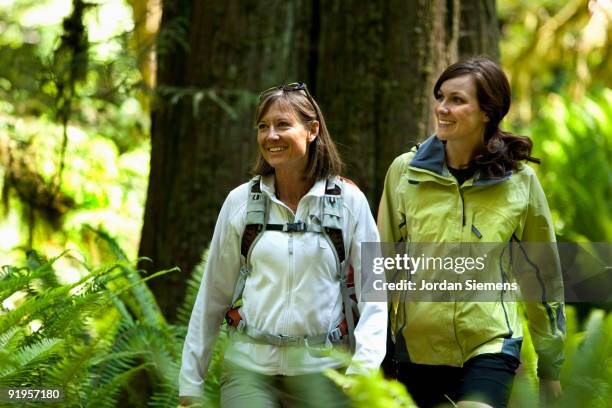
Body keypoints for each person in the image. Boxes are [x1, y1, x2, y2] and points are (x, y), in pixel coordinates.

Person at [179, 83, 387, 407]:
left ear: (312, 130)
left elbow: (375, 292)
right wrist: (191, 382)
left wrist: (364, 368)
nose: (270, 136)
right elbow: (212, 295)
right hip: (248, 373)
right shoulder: (240, 203)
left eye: (282, 125)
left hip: (325, 373)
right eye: (263, 127)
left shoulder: (349, 202)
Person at [378, 57, 565, 408]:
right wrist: (378, 352)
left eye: (457, 100)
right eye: (440, 97)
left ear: (487, 113)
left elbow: (542, 276)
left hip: (491, 344)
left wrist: (550, 366)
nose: (442, 109)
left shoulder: (520, 182)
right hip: (416, 350)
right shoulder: (404, 173)